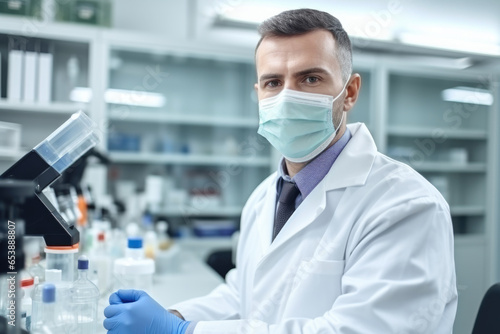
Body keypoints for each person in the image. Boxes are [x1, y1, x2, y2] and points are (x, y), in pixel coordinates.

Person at [103, 8, 457, 334]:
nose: (288, 97)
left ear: (349, 92)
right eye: (273, 83)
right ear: (258, 94)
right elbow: (245, 296)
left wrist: (185, 332)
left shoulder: (406, 206)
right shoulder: (263, 197)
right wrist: (176, 316)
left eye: (310, 79)